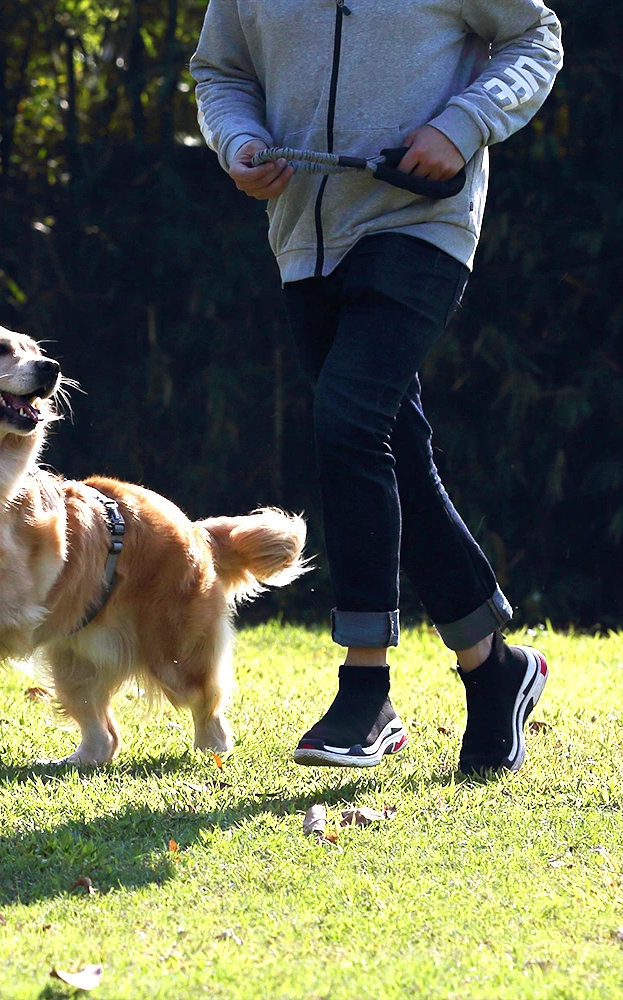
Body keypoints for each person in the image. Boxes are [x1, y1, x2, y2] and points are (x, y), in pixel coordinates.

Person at [190, 1, 563, 775]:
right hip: (302, 241)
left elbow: (535, 36)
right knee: (393, 444)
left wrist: (462, 126)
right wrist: (239, 143)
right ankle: (495, 669)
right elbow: (221, 71)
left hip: (420, 224)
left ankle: (366, 690)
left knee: (349, 421)